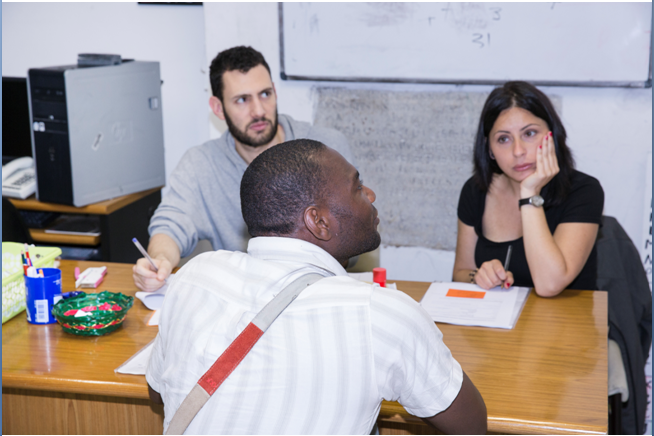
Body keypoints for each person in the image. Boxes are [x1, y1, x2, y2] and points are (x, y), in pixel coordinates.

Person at [146, 139, 487, 435]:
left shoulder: (193, 276)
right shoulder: (382, 315)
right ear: (319, 222)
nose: (370, 194)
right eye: (357, 187)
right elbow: (471, 426)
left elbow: (158, 392)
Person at [133, 46, 355, 292]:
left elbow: (356, 232)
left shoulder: (327, 149)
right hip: (245, 298)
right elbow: (170, 224)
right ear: (218, 108)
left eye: (265, 94)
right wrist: (160, 260)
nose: (259, 111)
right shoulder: (201, 164)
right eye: (242, 100)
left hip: (322, 290)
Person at [452, 81, 604, 297]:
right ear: (489, 149)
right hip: (499, 317)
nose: (518, 151)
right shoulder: (476, 190)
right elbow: (460, 272)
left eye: (529, 133)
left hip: (567, 317)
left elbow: (549, 285)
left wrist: (530, 194)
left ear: (553, 134)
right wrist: (478, 276)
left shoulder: (583, 191)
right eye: (503, 139)